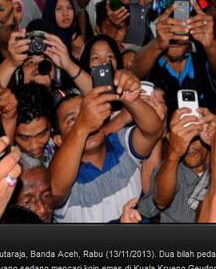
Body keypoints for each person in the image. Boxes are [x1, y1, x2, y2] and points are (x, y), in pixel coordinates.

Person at [49, 70, 163, 223]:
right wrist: (82, 126)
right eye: (72, 120)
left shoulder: (120, 144)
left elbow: (153, 131)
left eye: (88, 113)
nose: (89, 121)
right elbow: (55, 191)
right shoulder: (63, 173)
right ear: (59, 140)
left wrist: (130, 100)